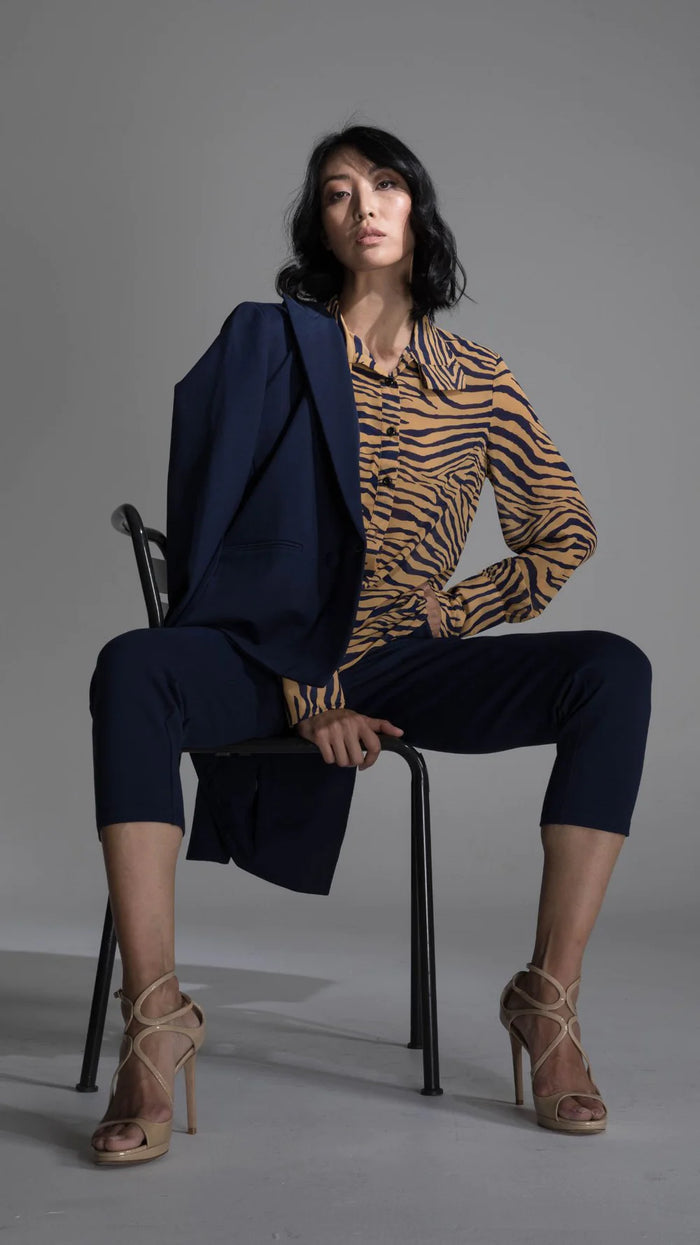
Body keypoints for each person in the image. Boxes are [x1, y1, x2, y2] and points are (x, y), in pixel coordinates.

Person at [88, 124, 652, 1163]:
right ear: (322, 224)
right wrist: (310, 693)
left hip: (402, 660)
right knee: (132, 666)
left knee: (612, 670)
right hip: (263, 656)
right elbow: (221, 541)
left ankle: (547, 1000)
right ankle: (156, 1016)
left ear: (416, 209)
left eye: (384, 184)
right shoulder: (275, 351)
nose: (364, 205)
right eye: (338, 191)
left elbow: (561, 528)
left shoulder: (477, 381)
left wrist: (458, 608)